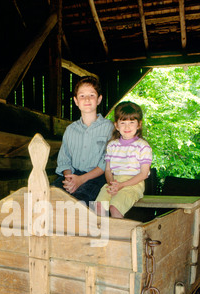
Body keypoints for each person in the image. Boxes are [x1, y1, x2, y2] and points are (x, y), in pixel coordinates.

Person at [53, 76, 114, 206]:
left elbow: (106, 161)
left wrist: (81, 180)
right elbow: (64, 159)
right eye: (82, 96)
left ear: (99, 99)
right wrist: (70, 179)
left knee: (79, 203)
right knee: (48, 196)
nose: (86, 99)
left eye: (92, 95)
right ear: (76, 101)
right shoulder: (70, 130)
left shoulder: (109, 128)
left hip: (96, 178)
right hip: (72, 176)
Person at [95, 101, 152, 218]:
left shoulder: (143, 146)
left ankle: (119, 235)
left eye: (132, 122)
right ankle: (100, 235)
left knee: (115, 207)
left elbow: (144, 174)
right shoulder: (112, 145)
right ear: (116, 125)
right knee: (98, 207)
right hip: (114, 182)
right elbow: (108, 170)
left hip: (133, 184)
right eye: (123, 122)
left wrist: (122, 185)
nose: (127, 127)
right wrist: (112, 184)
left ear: (139, 124)